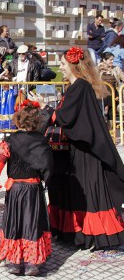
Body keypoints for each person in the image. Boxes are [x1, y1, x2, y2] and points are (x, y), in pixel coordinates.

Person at [37, 46, 124, 250]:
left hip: (85, 151)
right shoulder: (75, 87)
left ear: (74, 66)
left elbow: (67, 117)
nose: (61, 67)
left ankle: (92, 235)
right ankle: (75, 233)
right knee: (74, 192)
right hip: (74, 149)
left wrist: (46, 108)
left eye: (63, 64)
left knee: (86, 194)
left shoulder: (80, 86)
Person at [0, 101, 53, 276]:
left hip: (15, 188)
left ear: (18, 121)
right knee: (32, 222)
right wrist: (46, 181)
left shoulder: (9, 141)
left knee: (14, 222)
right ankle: (32, 262)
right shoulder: (42, 141)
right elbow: (48, 165)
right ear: (37, 122)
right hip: (33, 188)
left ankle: (14, 261)